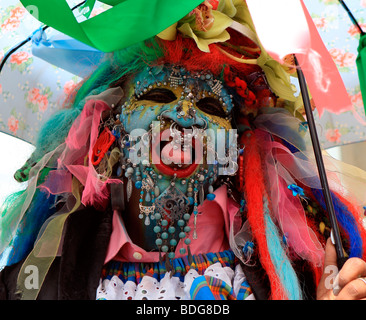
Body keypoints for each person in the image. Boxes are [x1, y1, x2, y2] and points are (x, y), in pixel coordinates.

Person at [1, 0, 366, 300]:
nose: (185, 116)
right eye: (159, 95)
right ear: (113, 126)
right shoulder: (33, 283)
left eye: (210, 107)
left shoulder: (306, 268)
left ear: (234, 144)